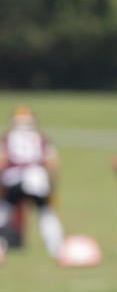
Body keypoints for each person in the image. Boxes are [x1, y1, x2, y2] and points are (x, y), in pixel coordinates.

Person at [0, 106, 64, 256]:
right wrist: (51, 185)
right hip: (37, 177)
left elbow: (2, 161)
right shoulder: (41, 137)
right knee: (45, 211)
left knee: (4, 209)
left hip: (13, 176)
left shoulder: (8, 137)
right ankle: (56, 247)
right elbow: (52, 163)